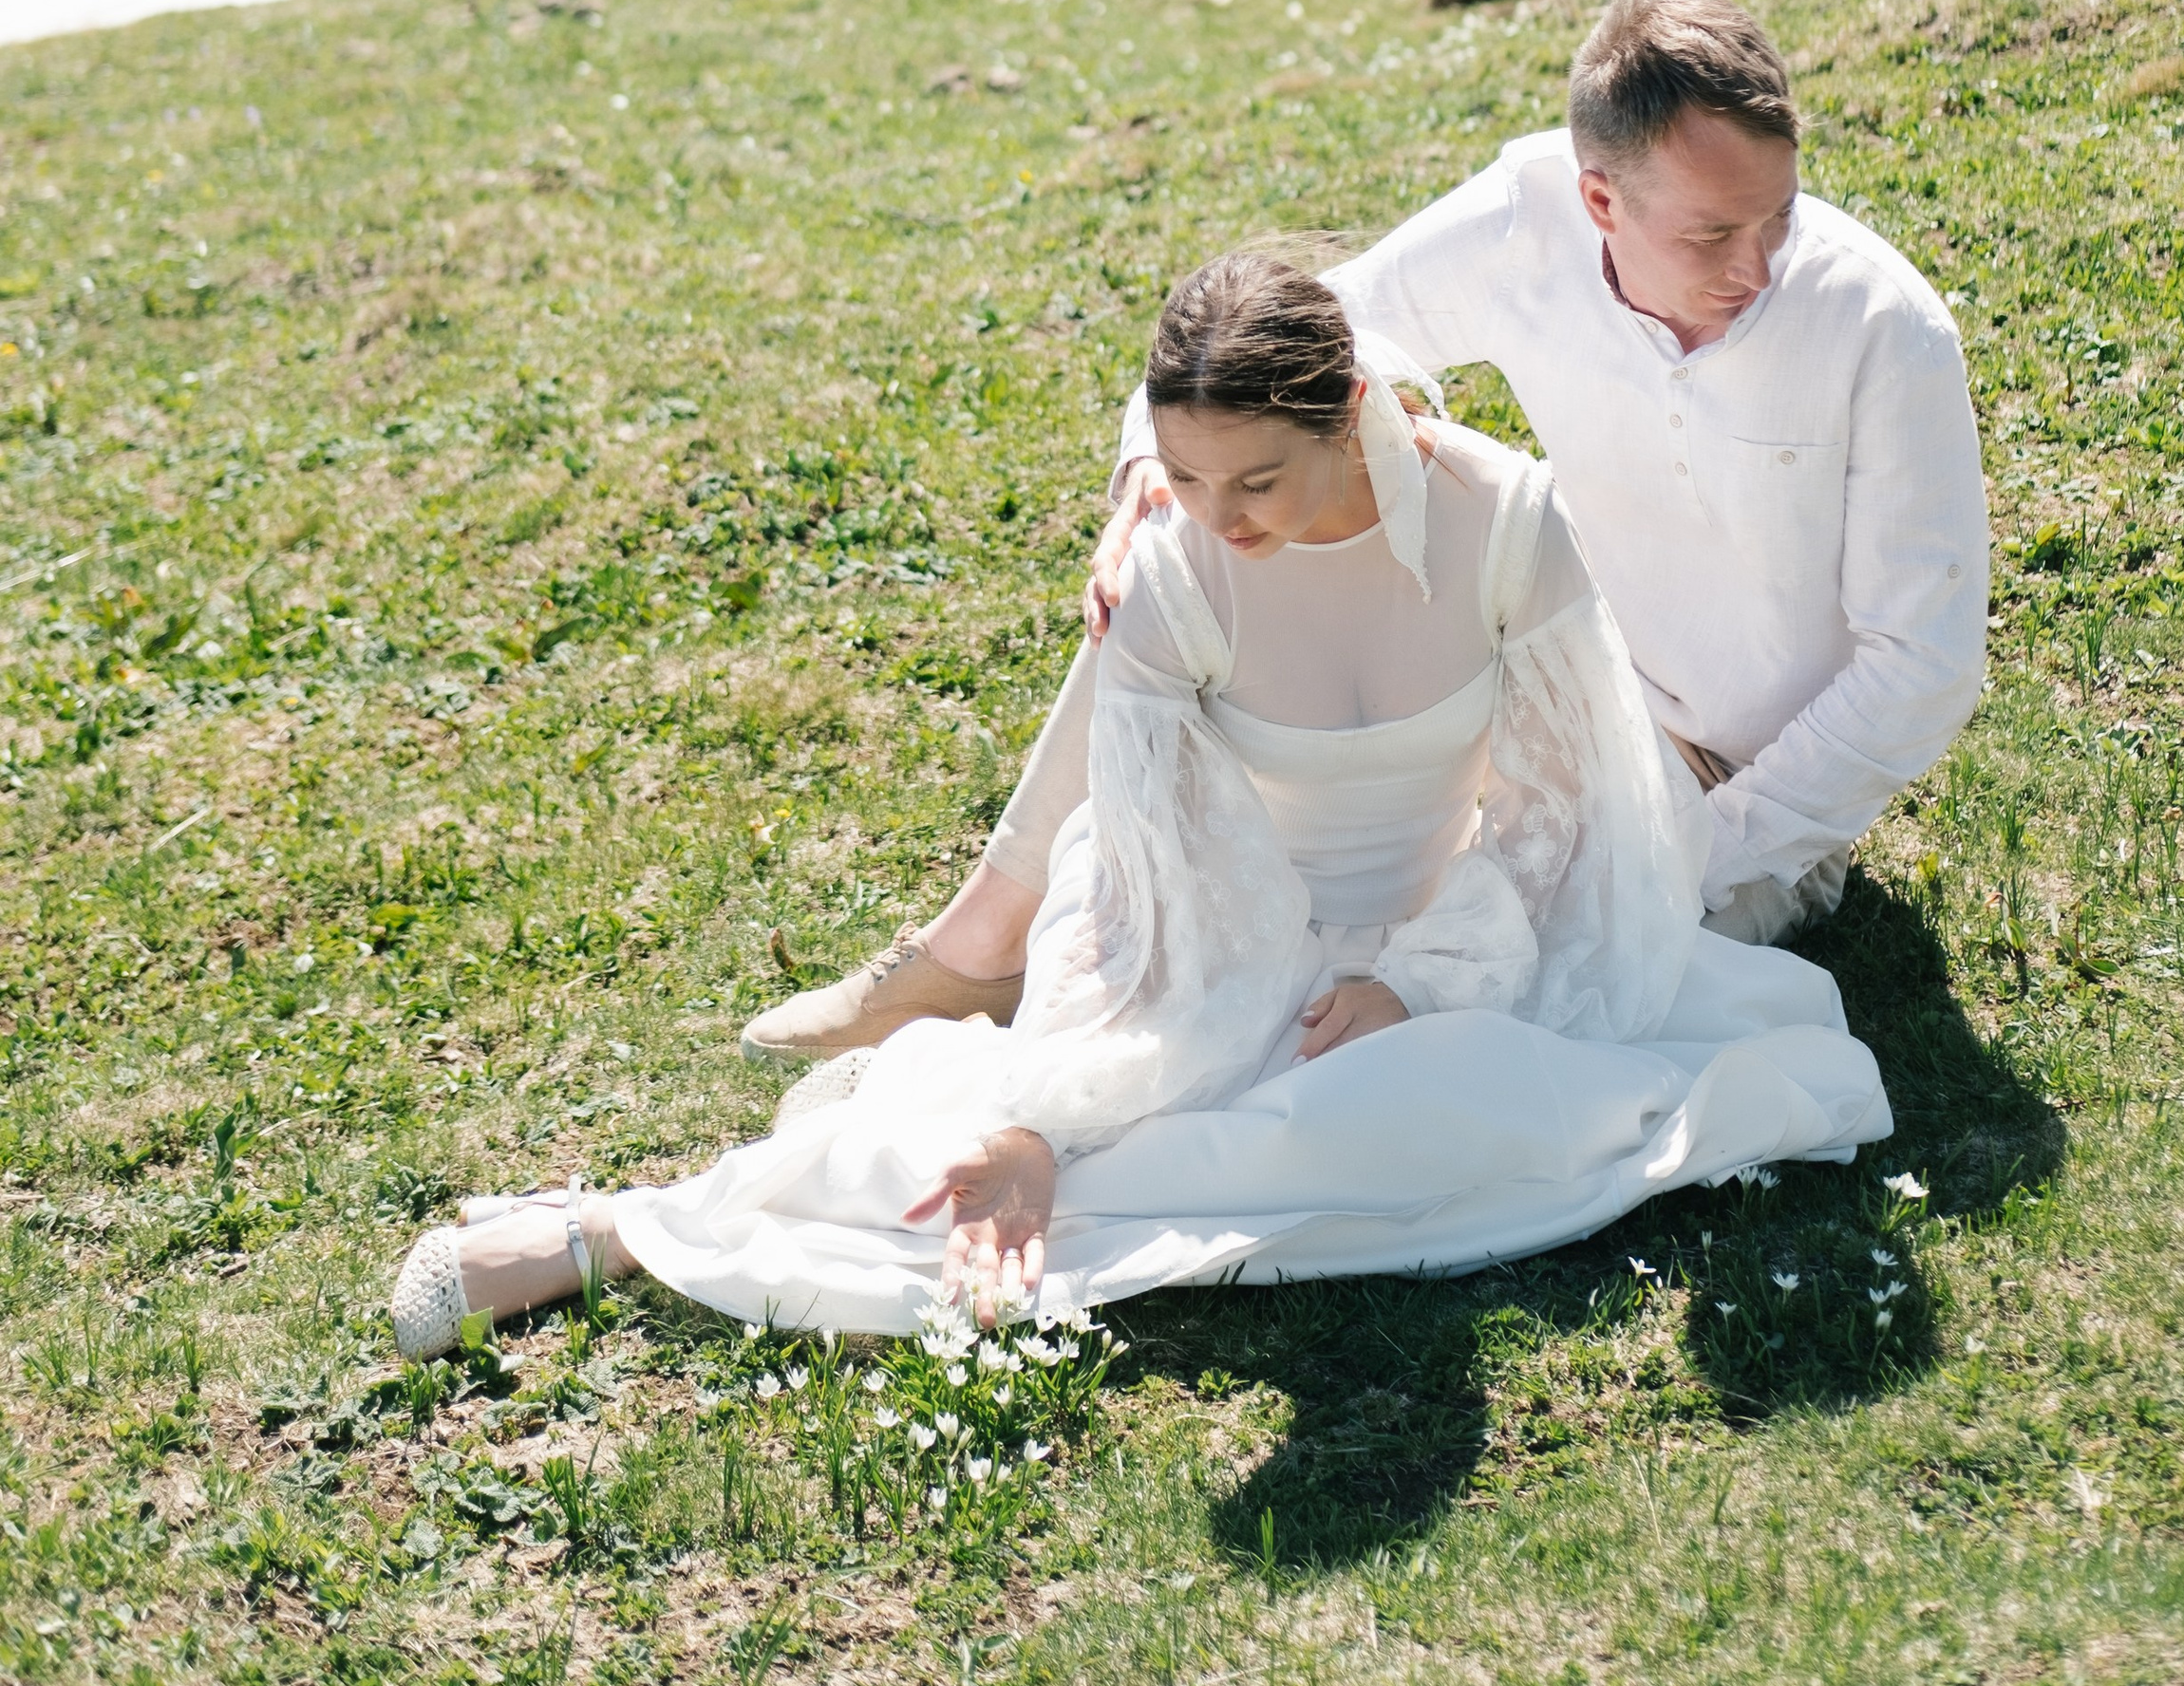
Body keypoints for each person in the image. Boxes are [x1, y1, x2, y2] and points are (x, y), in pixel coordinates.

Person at [390, 255, 1889, 1352]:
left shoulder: (1509, 528)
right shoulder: (1169, 575)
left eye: (1258, 480)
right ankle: (627, 1232)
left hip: (1445, 936)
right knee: (1064, 1150)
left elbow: (1569, 829)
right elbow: (1163, 887)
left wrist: (1420, 978)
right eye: (1180, 474)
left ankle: (1317, 1077)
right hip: (1204, 935)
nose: (1220, 521)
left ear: (1352, 410)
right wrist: (1049, 1115)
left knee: (1429, 1115)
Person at [752, 0, 1986, 1062]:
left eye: (1779, 215)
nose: (1758, 264)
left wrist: (1712, 850)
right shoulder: (1525, 218)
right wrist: (1146, 473)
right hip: (1533, 679)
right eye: (1713, 233)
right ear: (1597, 197)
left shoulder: (1885, 332)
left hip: (1722, 782)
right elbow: (1312, 326)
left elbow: (1921, 668)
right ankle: (977, 948)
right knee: (1179, 559)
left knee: (1433, 984)